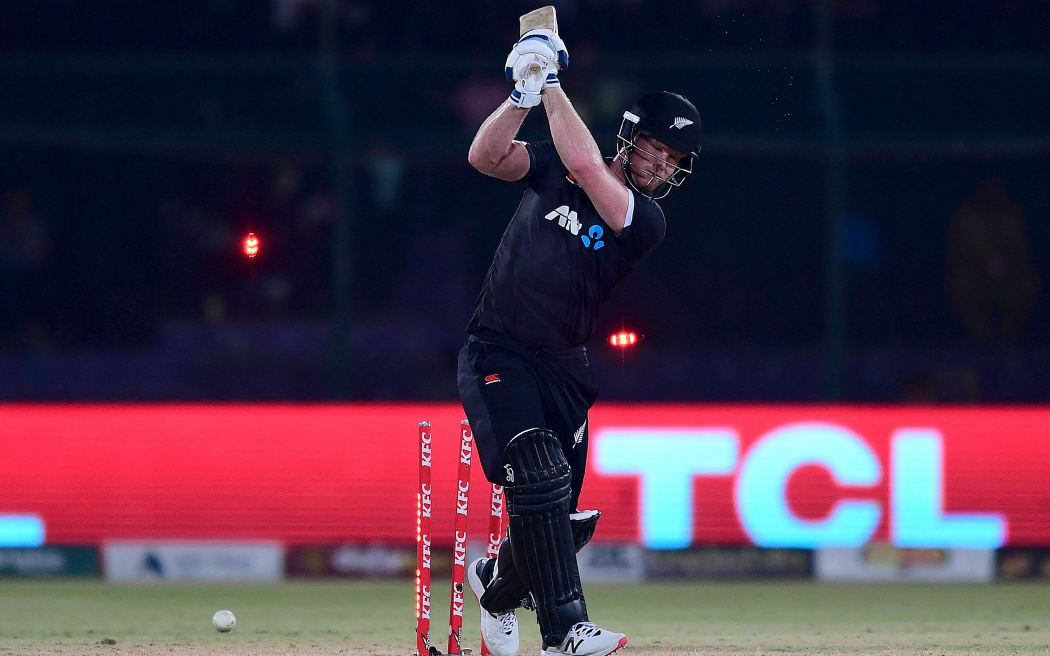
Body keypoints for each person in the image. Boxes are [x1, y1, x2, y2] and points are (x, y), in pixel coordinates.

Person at [456, 28, 701, 656]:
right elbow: (483, 159)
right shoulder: (550, 165)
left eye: (675, 162)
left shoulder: (645, 221)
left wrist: (553, 85)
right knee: (538, 480)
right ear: (632, 136)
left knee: (555, 521)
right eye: (658, 151)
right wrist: (521, 94)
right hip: (499, 349)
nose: (663, 167)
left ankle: (495, 583)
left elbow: (588, 167)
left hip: (564, 369)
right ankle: (565, 633)